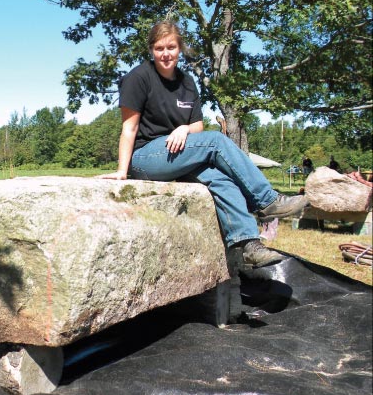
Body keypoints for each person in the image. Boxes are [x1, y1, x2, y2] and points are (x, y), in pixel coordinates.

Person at [99, 21, 308, 267]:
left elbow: (197, 126)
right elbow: (129, 128)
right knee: (216, 140)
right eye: (159, 48)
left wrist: (184, 128)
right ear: (151, 50)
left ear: (180, 49)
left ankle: (249, 245)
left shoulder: (187, 82)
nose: (165, 54)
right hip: (146, 158)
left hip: (180, 156)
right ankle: (267, 201)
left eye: (171, 47)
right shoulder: (138, 78)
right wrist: (123, 172)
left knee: (220, 179)